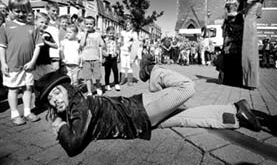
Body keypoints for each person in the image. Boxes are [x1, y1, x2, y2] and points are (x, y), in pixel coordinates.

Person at [37, 54, 261, 157]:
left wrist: (60, 127)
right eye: (50, 99)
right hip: (138, 122)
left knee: (187, 87)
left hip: (138, 109)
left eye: (57, 92)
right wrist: (62, 121)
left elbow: (73, 146)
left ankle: (151, 70)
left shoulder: (78, 104)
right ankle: (235, 113)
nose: (55, 99)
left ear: (67, 88)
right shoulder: (72, 109)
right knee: (185, 117)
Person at [0, 0, 43, 125]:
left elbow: (38, 47)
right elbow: (2, 47)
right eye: (17, 11)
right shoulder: (5, 27)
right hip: (12, 65)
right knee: (13, 89)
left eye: (24, 11)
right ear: (11, 10)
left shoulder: (33, 27)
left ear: (29, 10)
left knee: (28, 88)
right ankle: (14, 114)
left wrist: (32, 62)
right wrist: (3, 63)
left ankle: (28, 111)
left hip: (28, 66)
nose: (21, 14)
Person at [241, 0, 265, 89]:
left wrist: (248, 1)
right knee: (247, 44)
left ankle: (251, 80)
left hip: (253, 7)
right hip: (249, 9)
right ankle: (247, 80)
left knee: (250, 43)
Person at [221, 0, 245, 86]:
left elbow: (245, 9)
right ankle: (227, 77)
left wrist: (238, 13)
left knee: (237, 51)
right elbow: (225, 12)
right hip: (228, 26)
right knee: (227, 50)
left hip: (238, 25)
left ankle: (237, 78)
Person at [79, 16, 104, 96]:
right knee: (87, 77)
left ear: (94, 25)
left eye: (91, 24)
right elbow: (81, 45)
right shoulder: (82, 34)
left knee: (97, 76)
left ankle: (98, 87)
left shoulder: (97, 34)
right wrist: (85, 34)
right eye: (86, 24)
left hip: (95, 58)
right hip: (86, 59)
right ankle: (89, 91)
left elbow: (102, 45)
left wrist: (101, 57)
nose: (88, 26)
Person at [32, 12, 57, 81]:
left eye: (46, 23)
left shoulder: (47, 34)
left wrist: (45, 41)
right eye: (41, 22)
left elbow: (55, 46)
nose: (44, 25)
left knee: (49, 80)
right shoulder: (32, 33)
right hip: (35, 63)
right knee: (36, 81)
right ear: (35, 21)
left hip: (46, 62)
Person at [119, 18, 138, 86]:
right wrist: (120, 44)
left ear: (131, 25)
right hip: (123, 50)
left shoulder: (134, 33)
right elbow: (120, 40)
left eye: (129, 25)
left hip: (130, 51)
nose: (128, 26)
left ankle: (130, 81)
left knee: (129, 66)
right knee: (122, 66)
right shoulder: (122, 32)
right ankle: (122, 80)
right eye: (126, 25)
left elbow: (135, 42)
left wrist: (134, 50)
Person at [102, 26, 120, 91]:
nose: (111, 35)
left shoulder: (116, 41)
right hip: (107, 58)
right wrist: (105, 55)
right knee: (107, 72)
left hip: (114, 57)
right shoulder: (105, 41)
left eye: (113, 33)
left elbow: (118, 48)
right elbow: (103, 49)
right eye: (110, 33)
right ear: (107, 33)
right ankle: (107, 84)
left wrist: (117, 54)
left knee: (115, 71)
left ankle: (116, 83)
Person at [45, 2, 61, 71]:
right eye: (53, 11)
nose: (55, 13)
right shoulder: (44, 22)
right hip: (45, 51)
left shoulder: (58, 23)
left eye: (57, 11)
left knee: (55, 71)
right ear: (47, 10)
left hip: (55, 52)